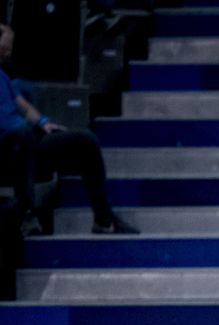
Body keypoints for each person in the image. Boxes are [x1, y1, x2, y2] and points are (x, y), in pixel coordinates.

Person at [0, 22, 136, 236]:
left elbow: (23, 107)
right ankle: (27, 215)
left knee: (85, 141)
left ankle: (103, 219)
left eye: (9, 46)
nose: (8, 51)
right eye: (5, 46)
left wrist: (43, 121)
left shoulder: (3, 77)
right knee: (22, 133)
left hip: (25, 143)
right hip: (6, 148)